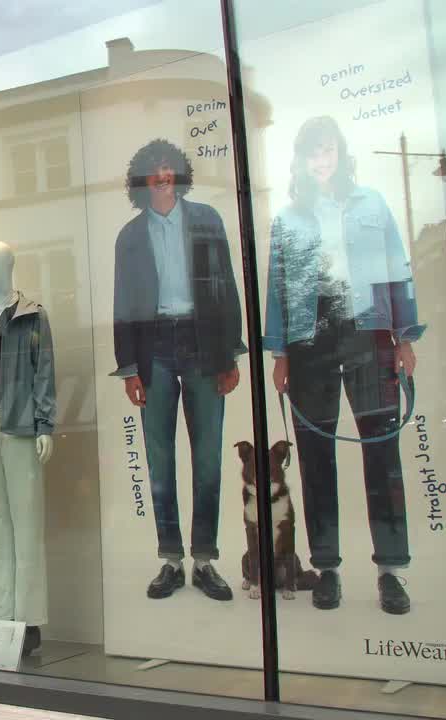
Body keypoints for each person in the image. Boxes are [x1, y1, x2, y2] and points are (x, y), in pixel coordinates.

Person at [263, 116, 423, 615]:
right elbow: (277, 286)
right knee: (315, 458)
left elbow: (397, 267)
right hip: (311, 342)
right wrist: (281, 351)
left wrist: (405, 336)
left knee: (383, 458)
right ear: (301, 161)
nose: (321, 160)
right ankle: (327, 567)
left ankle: (390, 572)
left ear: (340, 152)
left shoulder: (372, 204)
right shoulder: (288, 219)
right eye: (312, 153)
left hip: (369, 335)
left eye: (327, 150)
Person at [111, 139, 244, 602]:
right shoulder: (129, 236)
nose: (163, 174)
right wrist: (128, 367)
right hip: (154, 351)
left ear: (179, 173)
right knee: (160, 461)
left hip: (204, 345)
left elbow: (226, 285)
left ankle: (204, 560)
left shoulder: (207, 219)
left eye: (169, 167)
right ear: (142, 181)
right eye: (154, 169)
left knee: (208, 457)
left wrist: (231, 353)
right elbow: (123, 306)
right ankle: (171, 560)